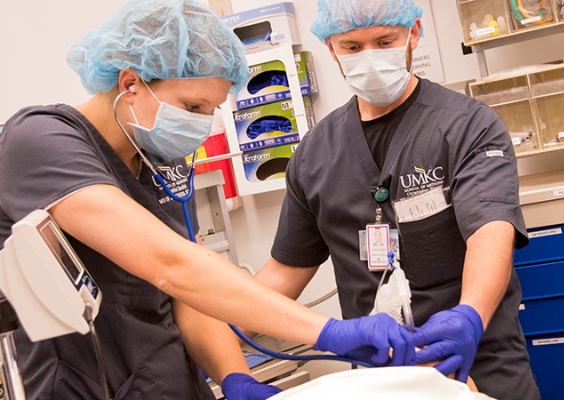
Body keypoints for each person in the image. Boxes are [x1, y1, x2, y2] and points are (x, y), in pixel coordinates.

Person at [0, 0, 417, 399]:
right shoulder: (40, 141)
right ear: (130, 83)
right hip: (87, 386)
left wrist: (234, 375)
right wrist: (327, 332)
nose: (200, 124)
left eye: (211, 108)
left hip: (168, 384)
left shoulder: (156, 158)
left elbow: (188, 294)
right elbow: (171, 266)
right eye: (192, 106)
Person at [253, 1, 541, 399]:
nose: (369, 57)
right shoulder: (314, 155)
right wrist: (217, 327)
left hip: (477, 361)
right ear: (331, 47)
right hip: (382, 377)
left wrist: (470, 317)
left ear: (414, 33)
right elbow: (284, 272)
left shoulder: (467, 126)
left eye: (384, 41)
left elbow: (490, 232)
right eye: (352, 47)